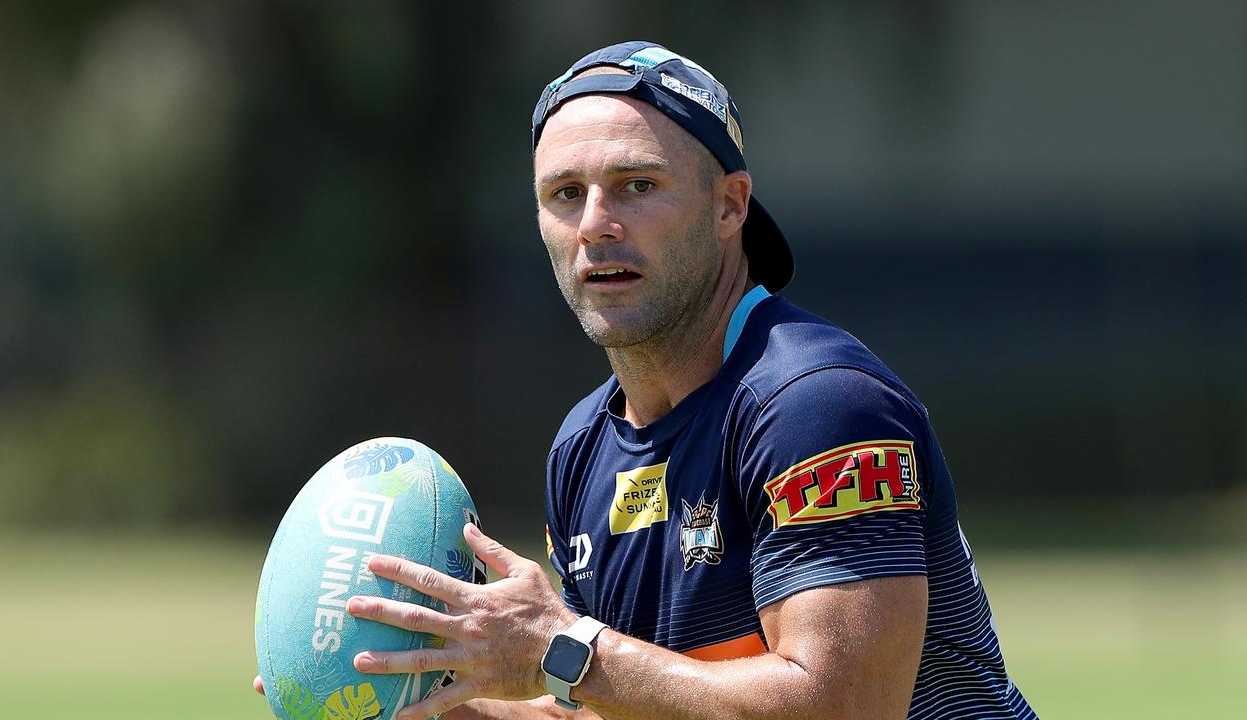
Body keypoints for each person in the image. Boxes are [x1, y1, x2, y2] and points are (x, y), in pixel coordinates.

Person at [257, 41, 1037, 719]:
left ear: (730, 206)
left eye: (637, 184)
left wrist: (565, 647)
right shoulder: (584, 448)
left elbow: (844, 708)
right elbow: (621, 705)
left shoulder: (816, 405)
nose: (596, 222)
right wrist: (422, 705)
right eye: (565, 194)